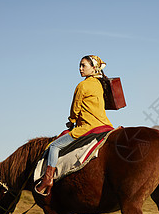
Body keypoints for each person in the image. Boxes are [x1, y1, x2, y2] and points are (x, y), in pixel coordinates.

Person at [35, 55, 113, 196]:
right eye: (80, 65)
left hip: (88, 127)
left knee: (54, 146)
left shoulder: (82, 85)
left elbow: (75, 109)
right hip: (105, 125)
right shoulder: (100, 84)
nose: (80, 68)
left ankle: (48, 179)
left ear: (93, 68)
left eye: (84, 65)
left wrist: (71, 121)